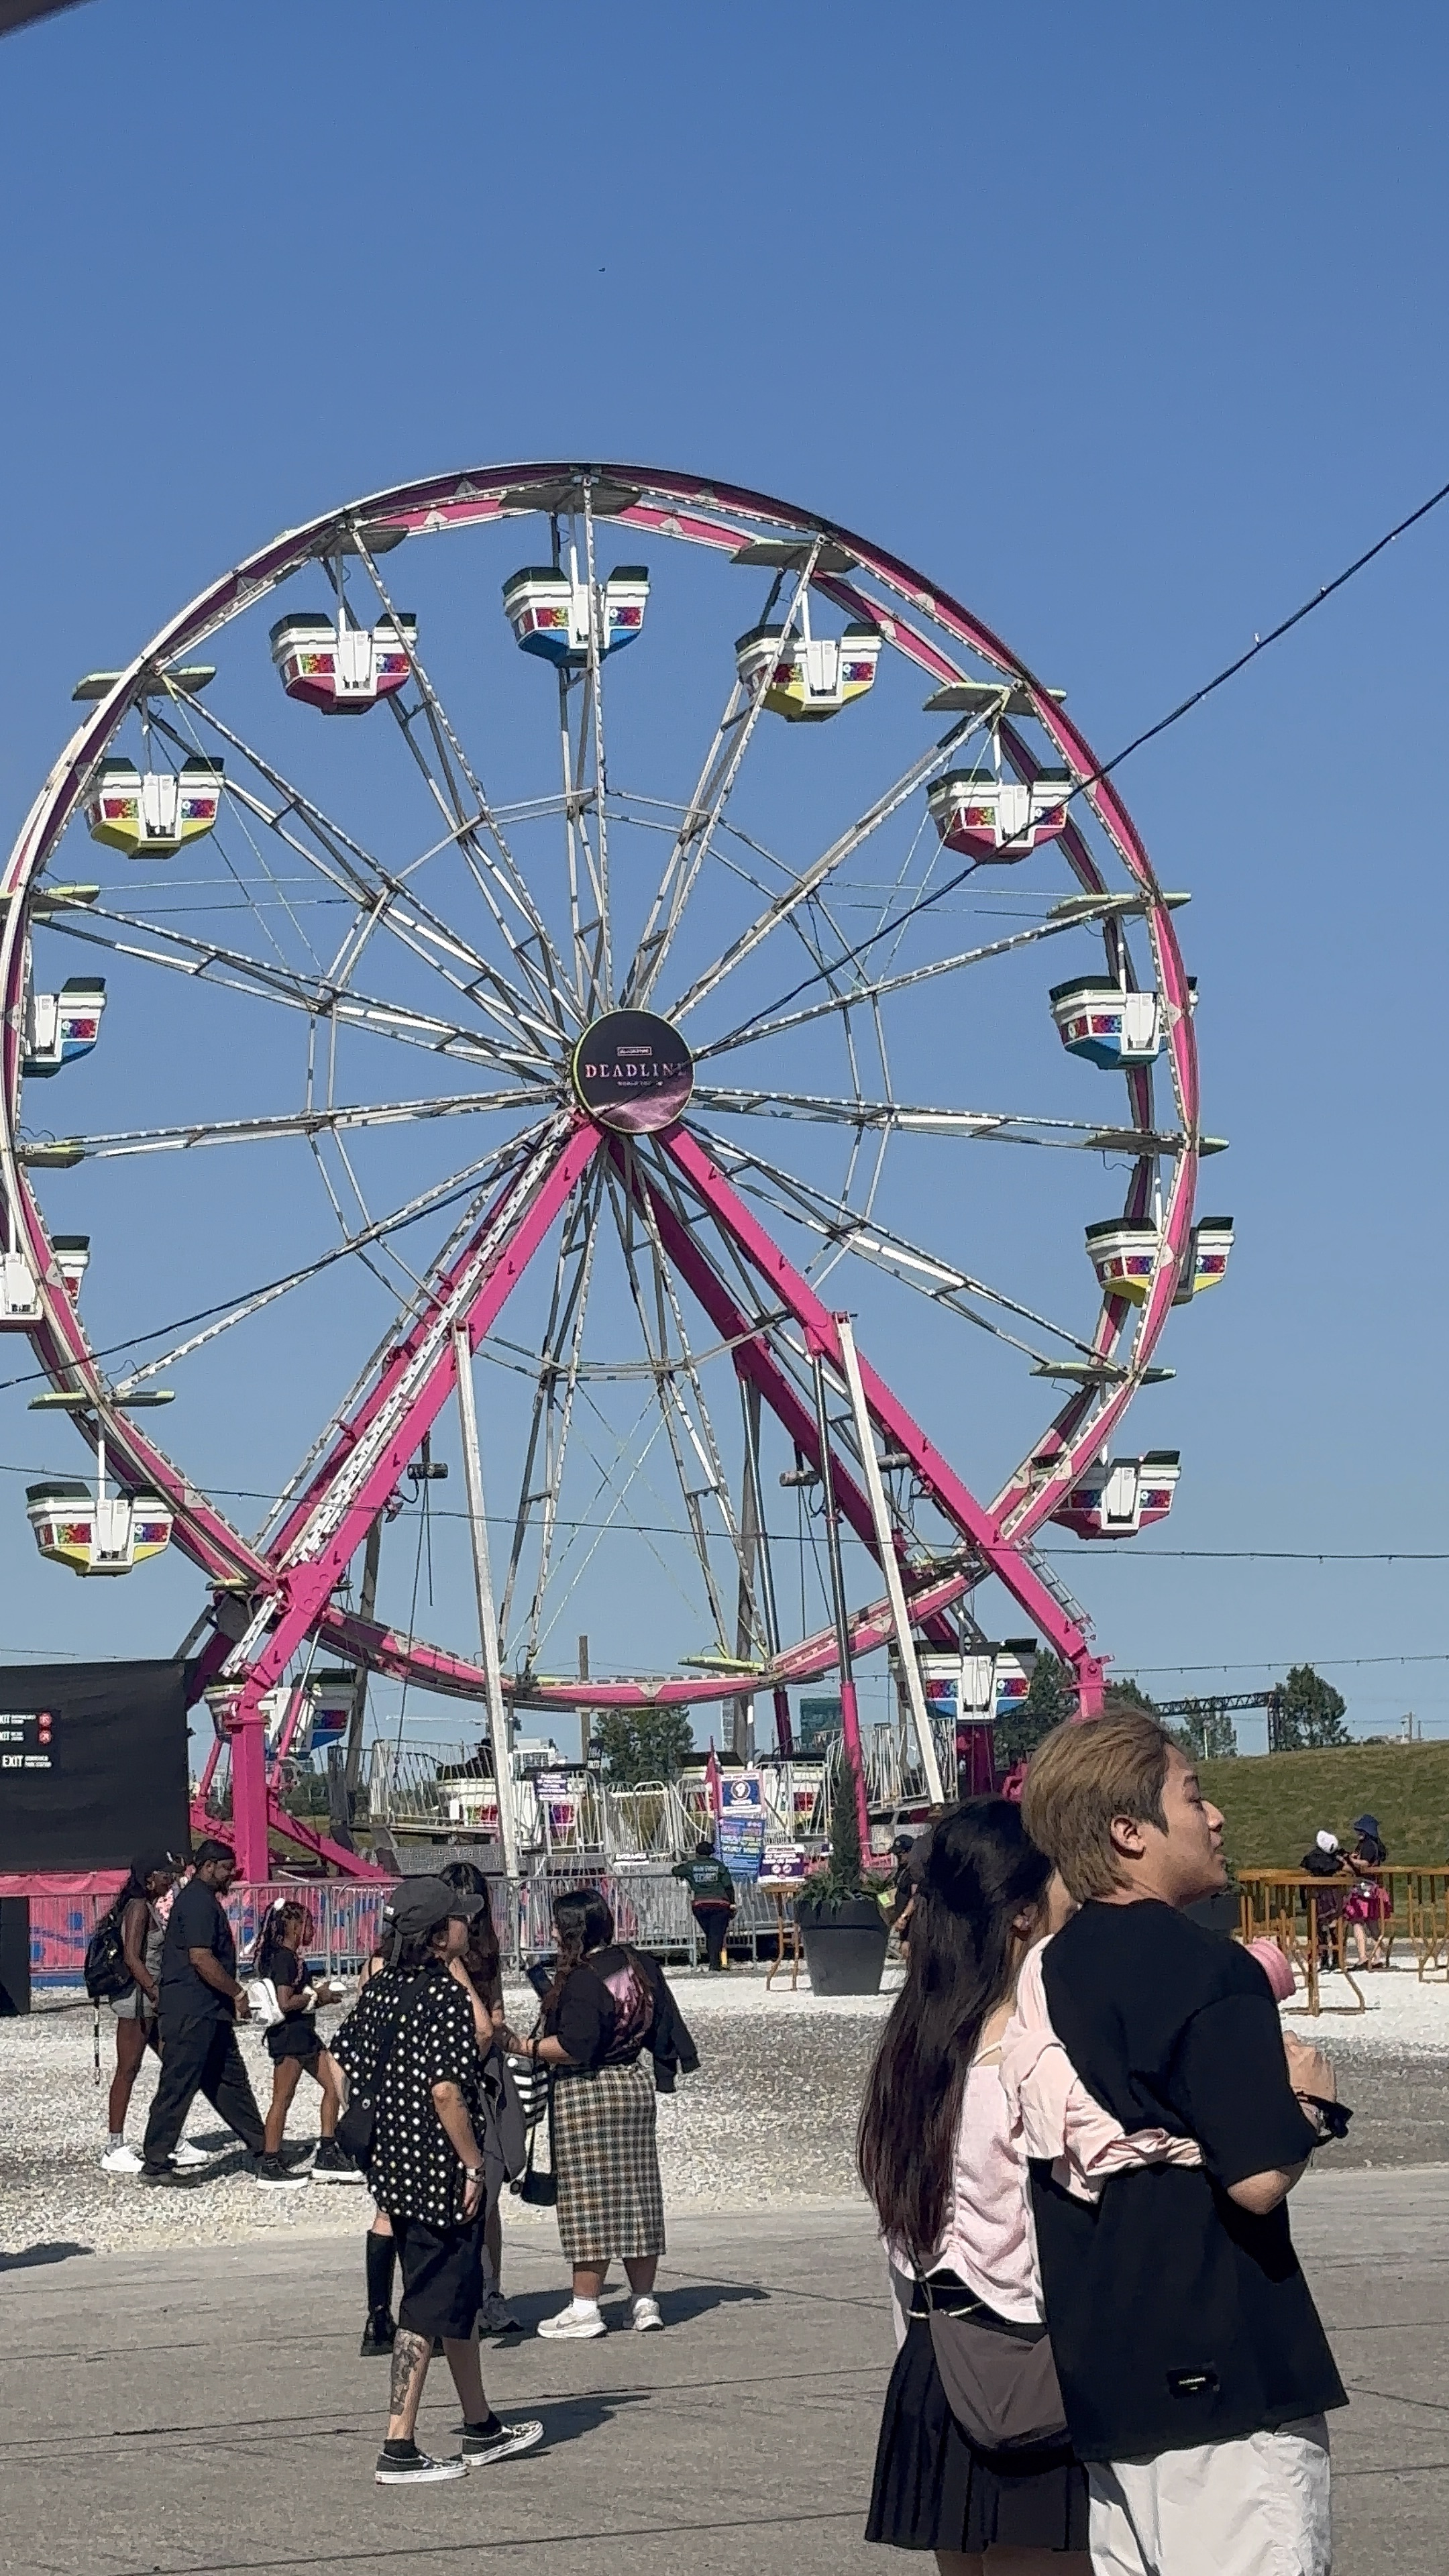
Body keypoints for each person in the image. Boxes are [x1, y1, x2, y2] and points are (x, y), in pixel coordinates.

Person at [1020, 1715, 1346, 2576]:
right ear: (1130, 1831)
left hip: (1108, 2371)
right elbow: (1257, 2179)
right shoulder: (1210, 1969)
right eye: (1194, 1796)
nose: (1217, 1818)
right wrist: (1311, 2103)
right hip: (1227, 2372)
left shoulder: (1049, 1967)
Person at [858, 1800, 1091, 2571]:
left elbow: (901, 2245)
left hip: (933, 2360)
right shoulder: (1030, 2056)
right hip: (1025, 2365)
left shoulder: (914, 2047)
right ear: (1022, 1913)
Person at [332, 1876, 544, 2484]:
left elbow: (339, 2057)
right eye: (459, 1920)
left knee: (457, 2295)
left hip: (393, 2167)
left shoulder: (381, 1990)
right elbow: (448, 2091)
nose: (468, 1926)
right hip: (440, 2172)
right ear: (435, 1934)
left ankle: (480, 2426)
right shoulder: (443, 1999)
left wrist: (370, 2115)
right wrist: (474, 2162)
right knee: (426, 2304)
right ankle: (398, 2445)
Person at [515, 1885, 696, 2341]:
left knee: (589, 2200)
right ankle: (644, 2301)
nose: (552, 1931)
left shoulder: (582, 1979)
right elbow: (662, 2025)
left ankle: (585, 2306)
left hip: (587, 2092)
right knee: (638, 2194)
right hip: (633, 2086)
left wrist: (523, 2046)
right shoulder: (639, 1964)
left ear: (572, 1930)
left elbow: (575, 2047)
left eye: (558, 1924)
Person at [139, 1839, 277, 2186]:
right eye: (228, 1868)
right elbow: (201, 1958)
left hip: (208, 2011)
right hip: (190, 2011)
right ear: (209, 1866)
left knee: (230, 2082)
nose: (231, 1875)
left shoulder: (202, 1900)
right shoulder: (198, 1901)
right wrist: (237, 1993)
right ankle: (156, 2162)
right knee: (178, 2085)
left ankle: (264, 2149)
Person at [440, 1862, 524, 2336]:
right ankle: (463, 2292)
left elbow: (493, 2016)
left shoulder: (484, 1950)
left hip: (483, 2068)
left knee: (488, 2187)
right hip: (451, 2070)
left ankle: (490, 2289)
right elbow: (483, 2023)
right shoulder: (437, 1956)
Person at [100, 1856, 209, 2176]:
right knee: (128, 2069)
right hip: (138, 2001)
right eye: (166, 1876)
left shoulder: (148, 1906)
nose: (170, 1882)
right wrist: (155, 1992)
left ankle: (170, 2136)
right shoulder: (137, 1908)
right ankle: (114, 2145)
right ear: (149, 1878)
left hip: (151, 1999)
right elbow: (133, 1957)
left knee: (176, 2065)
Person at [250, 1898, 357, 2186]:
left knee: (335, 2084)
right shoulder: (285, 1959)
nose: (313, 1930)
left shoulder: (286, 1957)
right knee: (282, 2099)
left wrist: (319, 2000)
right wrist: (316, 1996)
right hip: (289, 2038)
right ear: (295, 1927)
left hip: (303, 2034)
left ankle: (327, 2150)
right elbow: (285, 2003)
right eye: (309, 1925)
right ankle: (270, 2163)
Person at [672, 1837, 737, 1971]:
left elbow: (675, 1871)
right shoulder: (719, 1866)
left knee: (711, 1935)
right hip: (720, 1904)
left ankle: (715, 1963)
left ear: (696, 1853)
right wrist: (732, 1903)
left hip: (700, 1905)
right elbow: (729, 1886)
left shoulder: (691, 1866)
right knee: (716, 1935)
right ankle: (715, 1965)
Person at [1343, 1813, 1392, 1966]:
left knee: (1357, 1920)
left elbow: (1365, 1863)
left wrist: (1350, 1860)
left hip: (1365, 1888)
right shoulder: (1368, 1845)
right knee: (1372, 1923)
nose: (1359, 1833)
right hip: (1372, 1888)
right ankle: (1377, 1957)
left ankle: (1363, 1956)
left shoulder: (1370, 1845)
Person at [1301, 1828, 1348, 1967]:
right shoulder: (1332, 1860)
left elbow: (1303, 1869)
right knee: (1330, 1924)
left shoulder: (1312, 1858)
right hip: (1328, 1894)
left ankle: (1325, 1958)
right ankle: (1335, 1957)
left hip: (1317, 1895)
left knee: (1321, 1925)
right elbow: (1346, 1868)